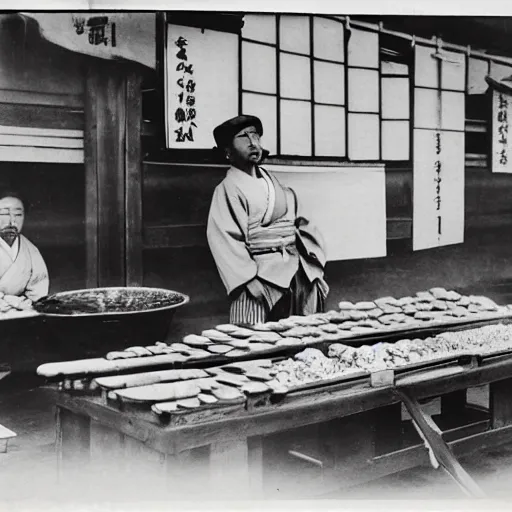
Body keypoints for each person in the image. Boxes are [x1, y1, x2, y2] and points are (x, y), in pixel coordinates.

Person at [207, 114, 329, 325]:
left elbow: (300, 222)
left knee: (300, 331)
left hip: (293, 268)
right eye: (243, 137)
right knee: (252, 335)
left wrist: (311, 258)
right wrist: (246, 280)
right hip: (259, 272)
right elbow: (223, 238)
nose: (253, 142)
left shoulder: (275, 184)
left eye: (256, 135)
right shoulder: (227, 189)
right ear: (227, 151)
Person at [0, 190, 49, 301]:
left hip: (21, 311)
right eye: (3, 214)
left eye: (18, 215)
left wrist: (25, 305)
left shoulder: (31, 250)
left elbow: (38, 288)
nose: (12, 222)